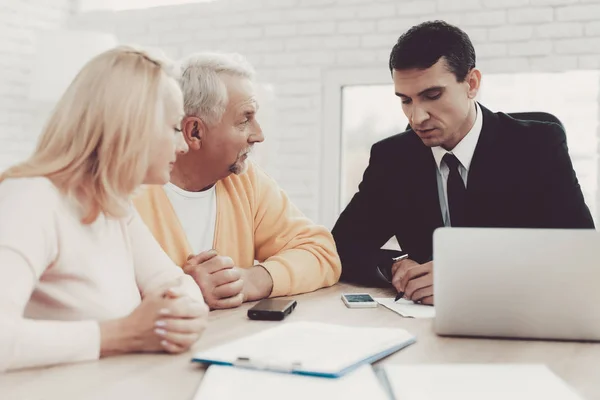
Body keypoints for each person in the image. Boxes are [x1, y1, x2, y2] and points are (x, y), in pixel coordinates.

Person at [332, 20, 594, 306]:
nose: (417, 117)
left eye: (432, 96)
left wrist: (466, 275)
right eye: (405, 100)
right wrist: (396, 265)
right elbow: (340, 247)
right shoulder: (393, 159)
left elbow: (578, 252)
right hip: (425, 326)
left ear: (471, 84)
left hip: (516, 315)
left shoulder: (537, 145)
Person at [0, 46, 209, 372]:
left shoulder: (113, 205)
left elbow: (175, 283)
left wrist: (183, 314)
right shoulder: (30, 199)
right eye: (173, 128)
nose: (182, 146)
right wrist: (121, 334)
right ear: (130, 126)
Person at [134, 52, 341, 309]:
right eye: (245, 119)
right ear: (194, 132)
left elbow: (321, 253)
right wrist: (185, 289)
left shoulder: (244, 180)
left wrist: (249, 280)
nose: (259, 135)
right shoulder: (127, 192)